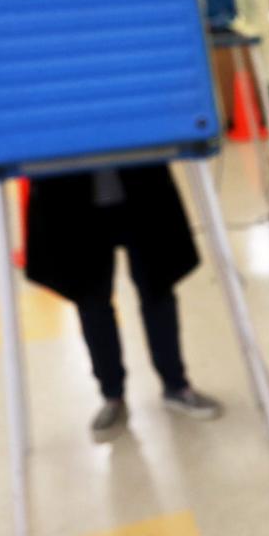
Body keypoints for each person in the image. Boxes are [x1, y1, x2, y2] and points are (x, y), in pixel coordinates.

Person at [25, 165, 223, 441]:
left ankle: (176, 385)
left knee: (157, 289)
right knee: (92, 300)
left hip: (141, 187)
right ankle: (112, 395)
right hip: (71, 198)